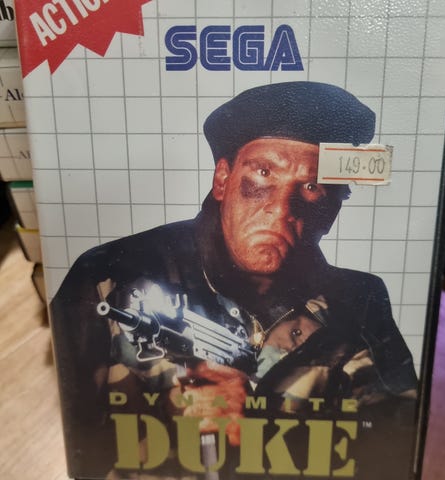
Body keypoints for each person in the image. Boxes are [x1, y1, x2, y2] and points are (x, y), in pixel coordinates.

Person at [50, 82, 417, 480]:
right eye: (263, 172)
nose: (281, 209)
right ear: (222, 179)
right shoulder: (108, 275)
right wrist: (166, 419)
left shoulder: (359, 300)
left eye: (312, 187)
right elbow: (78, 448)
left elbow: (394, 450)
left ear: (330, 212)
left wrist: (265, 427)